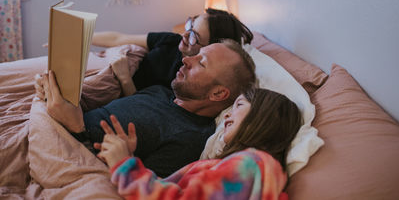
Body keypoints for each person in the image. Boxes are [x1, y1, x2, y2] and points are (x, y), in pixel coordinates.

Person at [36, 40, 256, 177]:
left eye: (202, 63)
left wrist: (76, 127)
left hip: (64, 144)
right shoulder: (165, 92)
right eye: (196, 54)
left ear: (218, 94)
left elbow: (132, 186)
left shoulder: (189, 138)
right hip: (56, 119)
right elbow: (139, 113)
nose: (187, 59)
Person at [97, 87, 303, 199]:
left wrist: (124, 166)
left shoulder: (253, 163)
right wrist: (129, 158)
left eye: (239, 105)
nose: (228, 115)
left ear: (262, 117)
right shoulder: (246, 165)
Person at [92, 8, 254, 95]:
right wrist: (82, 35)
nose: (184, 35)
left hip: (116, 86)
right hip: (109, 65)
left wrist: (124, 78)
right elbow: (118, 38)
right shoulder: (172, 40)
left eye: (194, 36)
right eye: (190, 25)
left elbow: (142, 105)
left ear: (210, 48)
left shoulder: (188, 78)